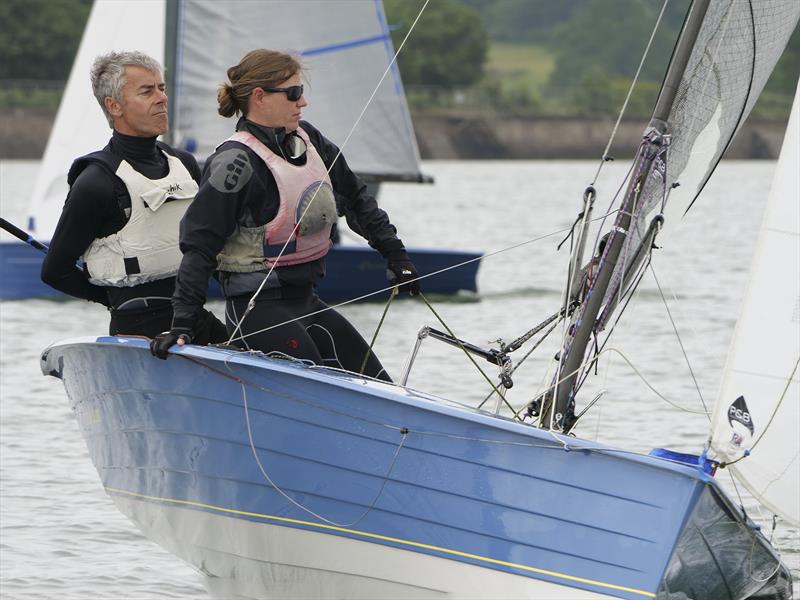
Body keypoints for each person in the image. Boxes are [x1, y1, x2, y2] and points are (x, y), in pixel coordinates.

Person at [149, 49, 420, 380]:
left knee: (382, 388)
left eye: (301, 92)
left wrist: (397, 256)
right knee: (325, 394)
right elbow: (198, 246)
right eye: (293, 93)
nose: (301, 103)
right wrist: (183, 324)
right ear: (260, 97)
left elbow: (356, 198)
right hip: (257, 311)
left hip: (307, 302)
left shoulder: (311, 140)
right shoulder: (234, 164)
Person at [41, 51, 226, 343]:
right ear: (114, 106)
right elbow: (55, 271)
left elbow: (212, 246)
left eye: (162, 88)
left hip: (191, 320)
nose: (162, 98)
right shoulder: (96, 182)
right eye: (147, 91)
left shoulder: (184, 164)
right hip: (137, 332)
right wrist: (113, 298)